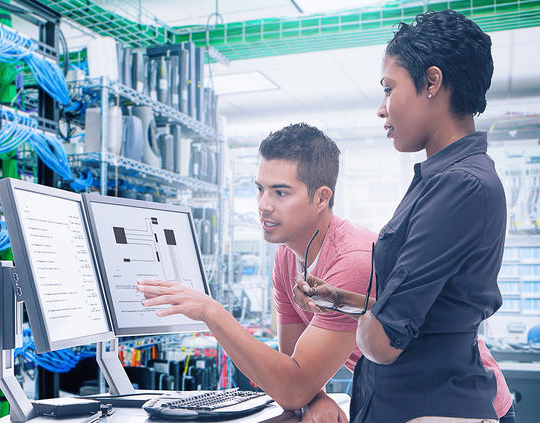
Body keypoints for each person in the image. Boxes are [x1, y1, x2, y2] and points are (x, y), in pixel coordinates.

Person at [138, 123, 513, 422]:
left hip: (457, 406)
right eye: (260, 189)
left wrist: (211, 313)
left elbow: (291, 386)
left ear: (322, 197)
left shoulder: (353, 259)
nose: (263, 206)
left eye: (280, 193)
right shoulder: (287, 257)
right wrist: (314, 396)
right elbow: (291, 365)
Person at [293, 9, 510, 423]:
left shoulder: (459, 185)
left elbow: (383, 341)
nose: (382, 108)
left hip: (429, 407)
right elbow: (422, 314)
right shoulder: (443, 178)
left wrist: (360, 328)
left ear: (432, 82)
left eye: (389, 88)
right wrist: (342, 300)